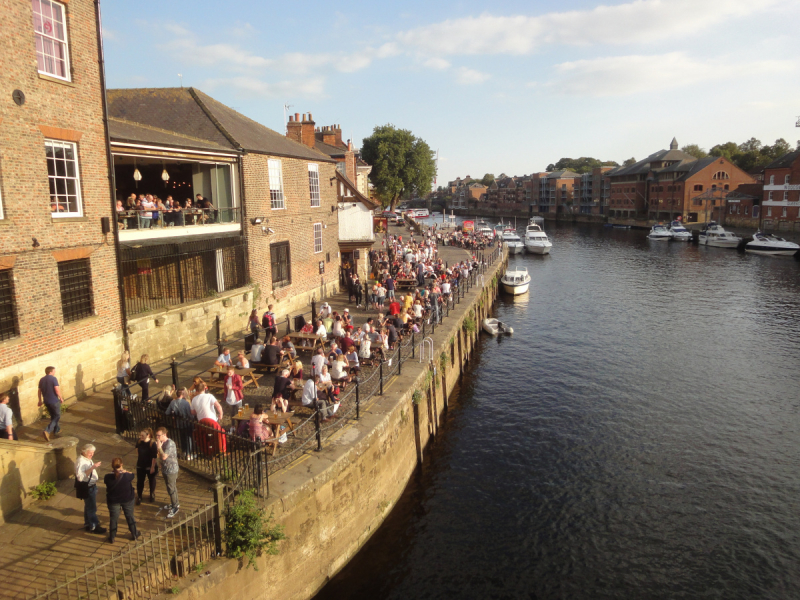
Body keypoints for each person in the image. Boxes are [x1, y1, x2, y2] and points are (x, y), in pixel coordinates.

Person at [103, 457, 137, 544]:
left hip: (113, 501)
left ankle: (112, 537)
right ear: (121, 464)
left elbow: (109, 480)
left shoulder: (107, 477)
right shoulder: (126, 476)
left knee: (113, 518)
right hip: (127, 499)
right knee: (130, 516)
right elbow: (132, 475)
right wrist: (125, 471)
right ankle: (134, 534)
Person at [75, 444, 106, 535]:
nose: (92, 455)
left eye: (93, 453)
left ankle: (88, 524)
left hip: (92, 486)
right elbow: (80, 477)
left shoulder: (86, 459)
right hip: (88, 487)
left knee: (88, 506)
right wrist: (92, 467)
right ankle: (94, 526)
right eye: (90, 453)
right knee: (92, 508)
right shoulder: (80, 461)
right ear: (84, 452)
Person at [155, 427, 180, 518]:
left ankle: (175, 506)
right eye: (156, 435)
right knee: (170, 486)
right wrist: (159, 463)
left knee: (171, 487)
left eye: (159, 435)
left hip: (171, 470)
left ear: (164, 435)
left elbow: (164, 456)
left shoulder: (170, 444)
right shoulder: (162, 442)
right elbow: (160, 456)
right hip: (165, 469)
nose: (157, 437)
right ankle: (175, 503)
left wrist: (159, 447)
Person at [165, 388, 194, 460]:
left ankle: (183, 451)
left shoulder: (172, 402)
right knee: (188, 438)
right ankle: (188, 454)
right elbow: (190, 415)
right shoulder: (186, 403)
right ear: (182, 395)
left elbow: (167, 412)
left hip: (178, 423)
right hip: (186, 422)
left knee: (182, 437)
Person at [38, 366, 63, 441]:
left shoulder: (41, 380)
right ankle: (47, 430)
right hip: (54, 401)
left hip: (46, 401)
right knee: (57, 416)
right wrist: (61, 397)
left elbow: (39, 391)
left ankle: (57, 430)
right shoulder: (53, 379)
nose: (54, 372)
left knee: (53, 416)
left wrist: (40, 400)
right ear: (50, 372)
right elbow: (56, 389)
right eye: (54, 371)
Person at [135, 428, 158, 504]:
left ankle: (152, 494)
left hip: (150, 465)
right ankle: (139, 496)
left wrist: (152, 467)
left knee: (151, 480)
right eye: (140, 435)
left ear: (148, 435)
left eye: (142, 435)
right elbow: (137, 452)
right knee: (140, 481)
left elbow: (154, 457)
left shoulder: (152, 443)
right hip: (140, 465)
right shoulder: (139, 442)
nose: (140, 436)